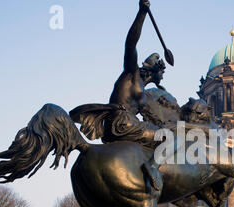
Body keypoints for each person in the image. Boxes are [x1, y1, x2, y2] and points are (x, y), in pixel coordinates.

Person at [70, 0, 164, 191]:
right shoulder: (131, 73)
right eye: (161, 72)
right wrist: (141, 14)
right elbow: (130, 43)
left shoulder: (144, 91)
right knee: (169, 138)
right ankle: (151, 168)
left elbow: (152, 116)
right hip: (123, 124)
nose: (162, 76)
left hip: (119, 125)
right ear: (154, 71)